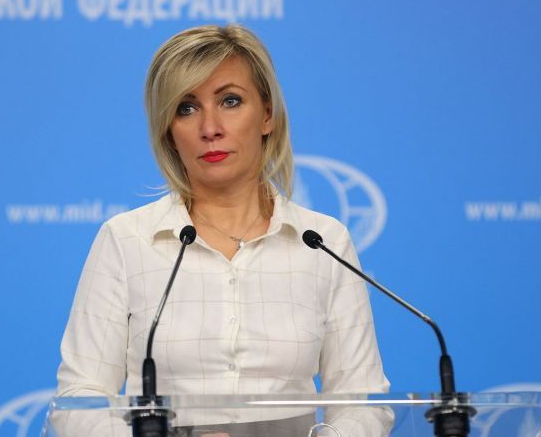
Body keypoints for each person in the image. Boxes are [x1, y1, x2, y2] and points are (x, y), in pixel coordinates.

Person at [54, 24, 391, 436]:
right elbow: (79, 400)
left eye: (230, 101)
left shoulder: (323, 242)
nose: (210, 127)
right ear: (168, 132)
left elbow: (363, 400)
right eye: (186, 108)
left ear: (267, 115)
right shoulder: (126, 240)